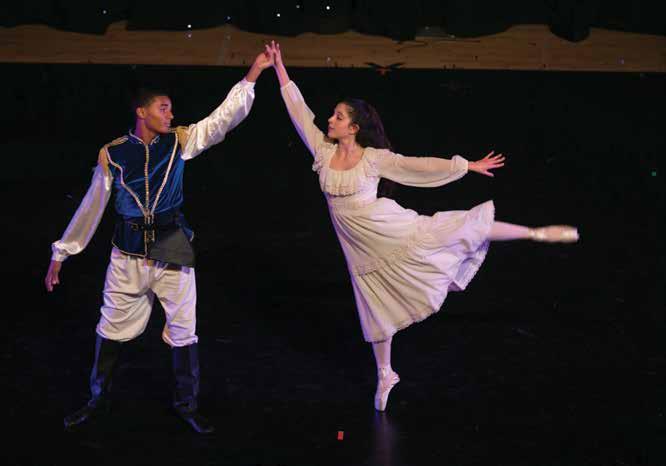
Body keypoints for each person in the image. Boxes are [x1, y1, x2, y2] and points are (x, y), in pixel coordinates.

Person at [267, 41, 578, 411]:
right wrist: (279, 67)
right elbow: (298, 111)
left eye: (337, 116)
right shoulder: (323, 151)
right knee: (375, 306)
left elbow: (417, 165)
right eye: (332, 116)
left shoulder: (373, 159)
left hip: (389, 228)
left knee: (457, 229)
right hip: (360, 248)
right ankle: (386, 374)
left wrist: (465, 165)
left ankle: (534, 233)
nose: (329, 120)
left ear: (353, 127)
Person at [44, 49, 274, 433]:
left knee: (184, 330)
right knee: (110, 327)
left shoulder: (179, 141)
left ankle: (187, 406)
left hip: (172, 248)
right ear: (142, 112)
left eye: (170, 109)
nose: (170, 115)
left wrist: (253, 74)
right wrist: (62, 253)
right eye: (163, 109)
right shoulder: (114, 154)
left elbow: (221, 121)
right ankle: (97, 400)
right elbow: (92, 205)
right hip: (128, 253)